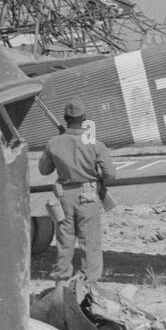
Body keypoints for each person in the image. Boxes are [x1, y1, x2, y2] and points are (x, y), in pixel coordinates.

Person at [37, 99, 118, 288]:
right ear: (84, 119)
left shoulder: (54, 143)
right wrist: (97, 179)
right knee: (90, 243)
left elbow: (44, 169)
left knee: (64, 242)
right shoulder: (95, 144)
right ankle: (87, 285)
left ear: (66, 119)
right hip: (88, 197)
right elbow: (111, 174)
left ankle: (61, 282)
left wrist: (59, 146)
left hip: (63, 198)